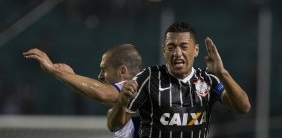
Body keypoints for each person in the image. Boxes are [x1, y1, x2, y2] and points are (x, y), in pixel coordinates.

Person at [107, 21, 251, 138]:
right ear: (164, 50)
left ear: (196, 50)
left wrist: (222, 73)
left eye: (183, 46)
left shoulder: (208, 80)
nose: (177, 53)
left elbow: (244, 107)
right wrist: (122, 102)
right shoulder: (148, 78)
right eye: (171, 47)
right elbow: (114, 126)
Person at [23, 44, 142, 138]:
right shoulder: (128, 102)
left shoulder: (137, 84)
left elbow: (103, 93)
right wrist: (70, 77)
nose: (100, 76)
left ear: (122, 71)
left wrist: (56, 71)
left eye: (104, 69)